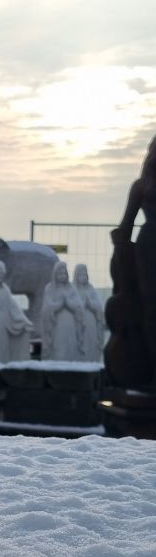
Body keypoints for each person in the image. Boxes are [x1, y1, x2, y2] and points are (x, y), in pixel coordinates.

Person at [111, 135, 156, 379]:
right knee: (151, 309)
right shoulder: (141, 186)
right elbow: (125, 228)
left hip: (149, 243)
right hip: (150, 248)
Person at [41, 261, 85, 360]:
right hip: (56, 325)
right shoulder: (49, 288)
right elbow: (46, 308)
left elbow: (79, 306)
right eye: (60, 273)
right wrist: (60, 304)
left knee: (70, 346)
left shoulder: (71, 288)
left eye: (64, 273)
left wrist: (68, 303)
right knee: (58, 347)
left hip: (70, 323)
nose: (63, 275)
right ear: (55, 274)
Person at [72, 264, 104, 362]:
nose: (83, 277)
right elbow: (71, 306)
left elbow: (99, 306)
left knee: (91, 344)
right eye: (80, 275)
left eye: (85, 275)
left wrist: (90, 304)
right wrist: (81, 305)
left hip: (90, 322)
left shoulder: (91, 290)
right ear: (76, 276)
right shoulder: (72, 290)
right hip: (78, 323)